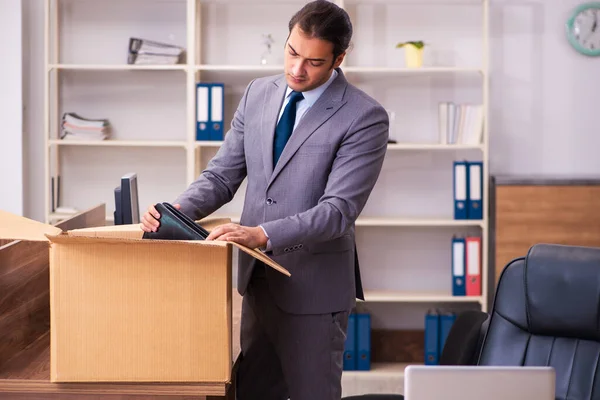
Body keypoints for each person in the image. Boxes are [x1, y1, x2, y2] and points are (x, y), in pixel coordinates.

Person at [141, 1, 389, 398]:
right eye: (292, 53)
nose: (296, 69)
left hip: (314, 290)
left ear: (339, 58)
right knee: (253, 391)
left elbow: (337, 212)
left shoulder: (364, 116)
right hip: (258, 283)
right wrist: (176, 211)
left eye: (314, 62)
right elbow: (222, 175)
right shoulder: (259, 93)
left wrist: (259, 234)